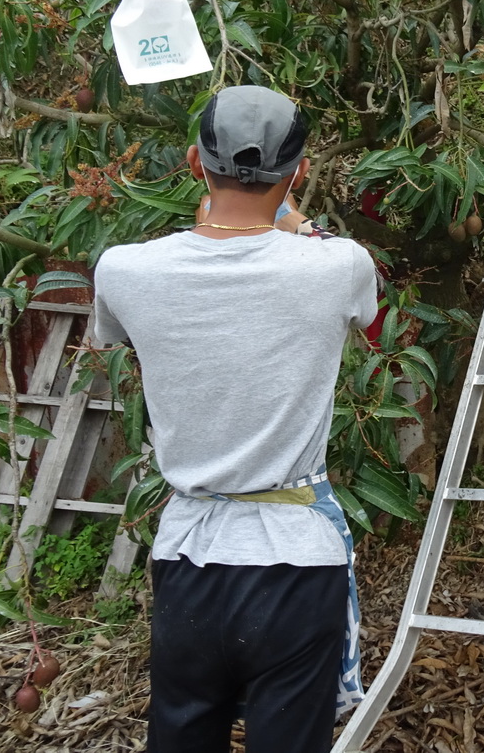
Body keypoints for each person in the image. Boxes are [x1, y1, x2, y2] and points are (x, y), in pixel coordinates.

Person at [92, 85, 379, 753]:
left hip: (188, 556)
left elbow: (117, 336)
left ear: (196, 162)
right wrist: (295, 222)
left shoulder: (124, 270)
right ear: (298, 173)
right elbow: (363, 307)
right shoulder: (338, 266)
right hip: (297, 560)